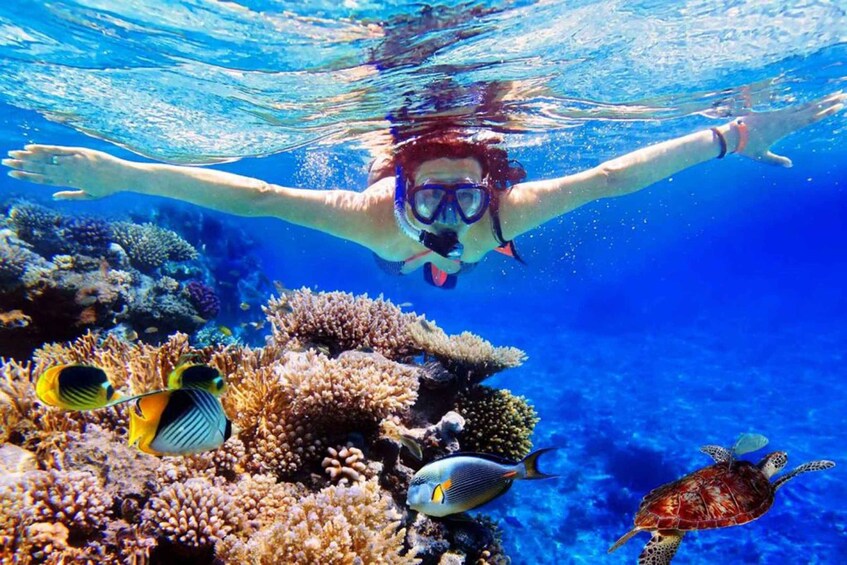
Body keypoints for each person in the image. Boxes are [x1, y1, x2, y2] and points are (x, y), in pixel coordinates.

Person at [3, 93, 844, 289]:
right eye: (432, 196)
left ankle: (441, 274)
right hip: (399, 251)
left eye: (464, 197)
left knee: (446, 265)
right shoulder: (374, 216)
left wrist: (734, 135)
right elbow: (254, 196)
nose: (449, 211)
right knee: (418, 263)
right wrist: (122, 173)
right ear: (399, 184)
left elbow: (609, 177)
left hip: (456, 248)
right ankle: (430, 272)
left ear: (489, 186)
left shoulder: (506, 209)